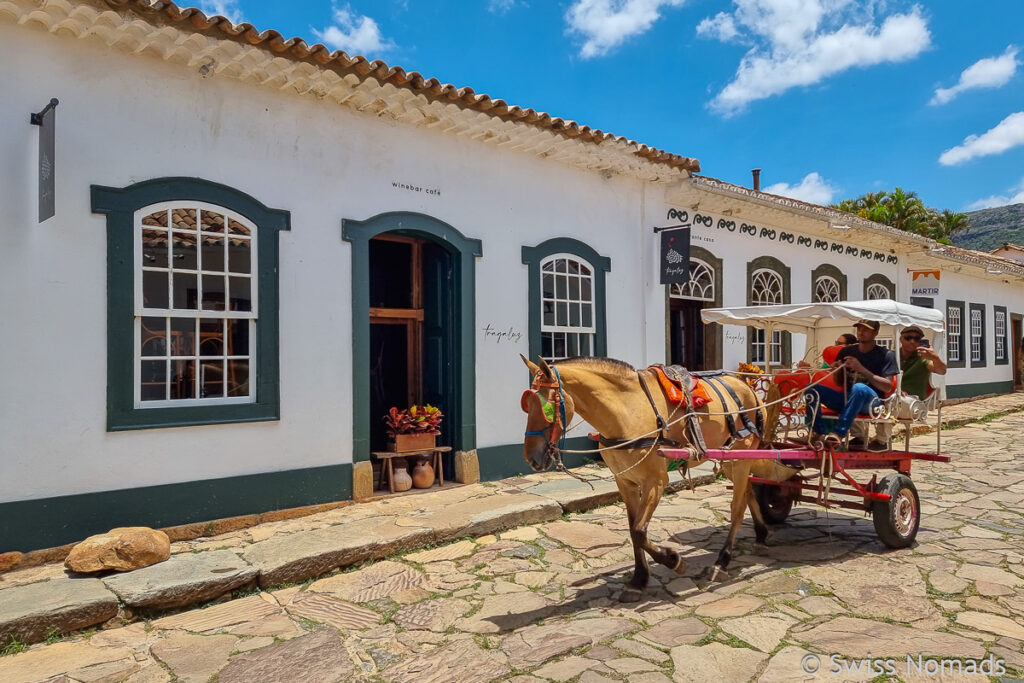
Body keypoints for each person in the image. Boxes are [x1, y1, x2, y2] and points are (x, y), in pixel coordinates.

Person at [804, 319, 898, 448]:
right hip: (847, 398)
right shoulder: (847, 352)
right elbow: (838, 383)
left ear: (875, 333)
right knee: (811, 389)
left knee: (859, 388)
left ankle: (839, 433)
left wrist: (862, 369)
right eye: (859, 329)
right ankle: (818, 432)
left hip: (872, 403)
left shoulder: (885, 355)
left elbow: (887, 386)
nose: (861, 332)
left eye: (866, 329)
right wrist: (837, 370)